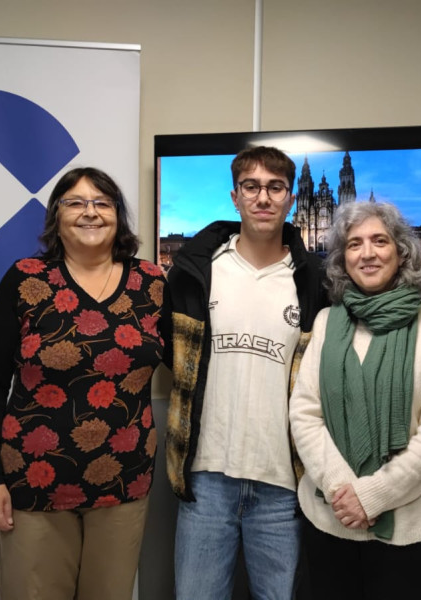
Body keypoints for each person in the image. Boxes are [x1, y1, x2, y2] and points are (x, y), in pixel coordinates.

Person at [0, 167, 164, 600]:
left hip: (124, 482)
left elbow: (188, 355)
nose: (89, 212)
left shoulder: (152, 283)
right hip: (34, 484)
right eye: (75, 202)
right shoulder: (25, 279)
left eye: (102, 203)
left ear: (119, 215)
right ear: (56, 215)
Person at [161, 146, 328, 599]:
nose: (263, 198)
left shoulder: (314, 278)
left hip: (283, 485)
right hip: (205, 479)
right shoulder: (195, 272)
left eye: (275, 188)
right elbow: (168, 352)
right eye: (251, 187)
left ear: (292, 198)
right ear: (235, 197)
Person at [289, 201, 421, 600]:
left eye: (379, 241)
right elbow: (305, 412)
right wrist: (342, 490)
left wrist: (372, 497)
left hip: (411, 529)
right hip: (330, 519)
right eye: (354, 244)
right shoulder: (325, 323)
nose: (367, 253)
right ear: (341, 258)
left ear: (402, 252)